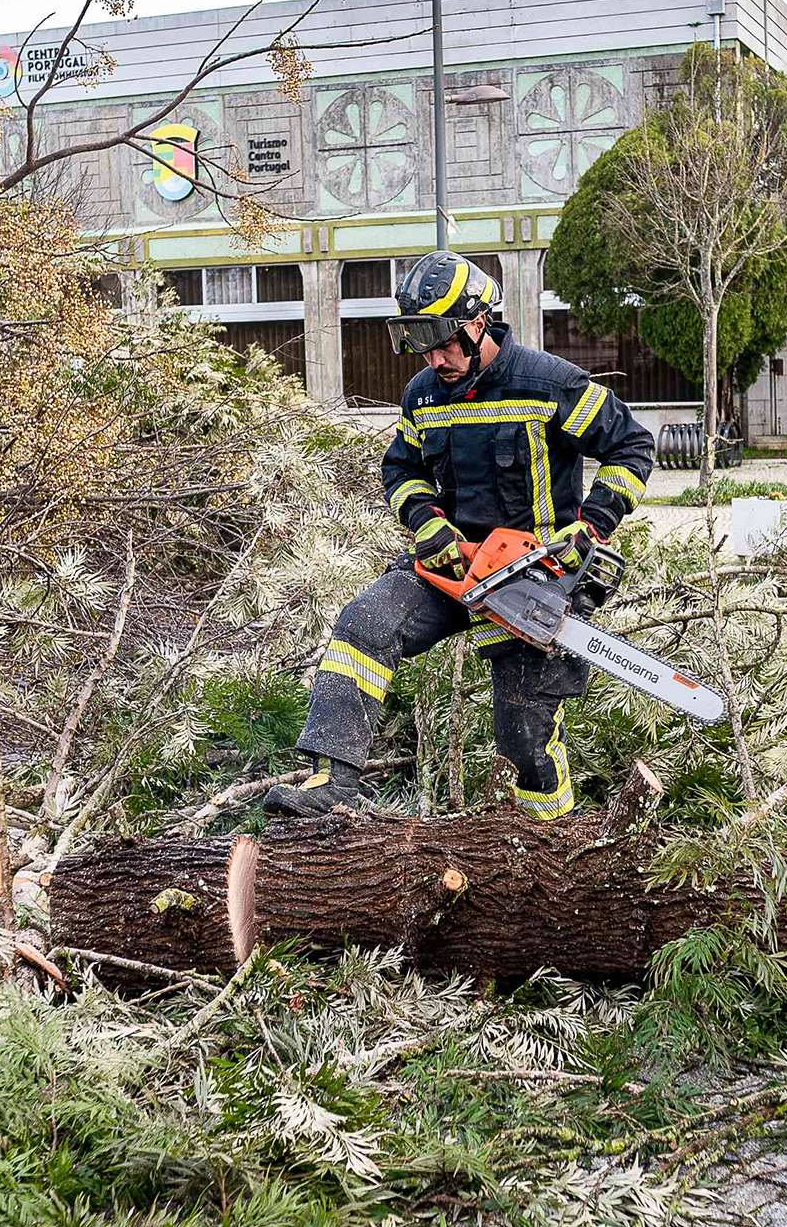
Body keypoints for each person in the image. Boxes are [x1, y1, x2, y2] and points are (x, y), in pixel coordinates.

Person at [266, 250, 654, 821]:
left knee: (523, 734)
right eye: (424, 344)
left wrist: (589, 527)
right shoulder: (424, 394)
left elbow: (632, 446)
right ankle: (333, 783)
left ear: (478, 323)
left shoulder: (549, 384)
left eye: (446, 341)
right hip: (453, 568)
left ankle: (549, 838)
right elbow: (402, 469)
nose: (436, 357)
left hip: (535, 577)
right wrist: (427, 522)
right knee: (363, 626)